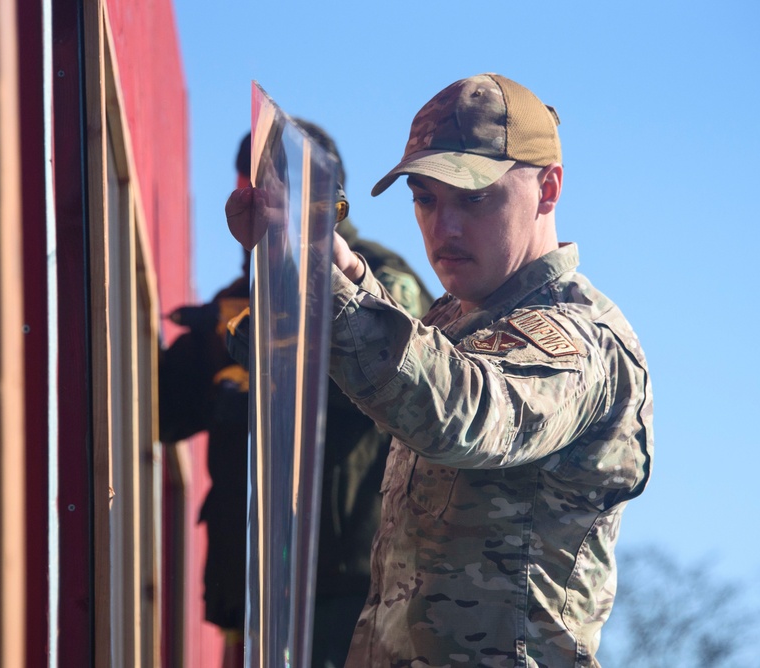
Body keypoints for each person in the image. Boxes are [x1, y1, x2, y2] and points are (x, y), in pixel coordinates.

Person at [226, 73, 654, 667]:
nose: (443, 227)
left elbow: (464, 410)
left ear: (548, 189)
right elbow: (421, 360)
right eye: (425, 199)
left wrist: (328, 283)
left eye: (473, 197)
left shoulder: (579, 339)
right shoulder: (458, 322)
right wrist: (322, 272)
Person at [163, 126, 433, 668]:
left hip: (340, 585)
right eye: (257, 182)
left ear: (326, 190)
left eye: (285, 181)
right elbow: (157, 412)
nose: (264, 196)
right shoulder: (240, 299)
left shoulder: (374, 279)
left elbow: (387, 377)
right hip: (254, 589)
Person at [159, 134, 253, 668]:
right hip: (241, 580)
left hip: (333, 589)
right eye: (244, 186)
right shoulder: (228, 306)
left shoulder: (369, 290)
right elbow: (166, 414)